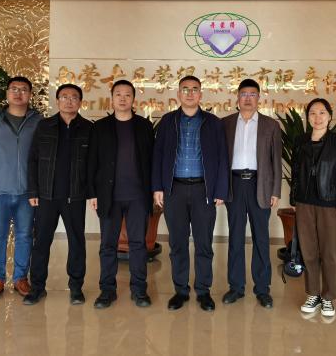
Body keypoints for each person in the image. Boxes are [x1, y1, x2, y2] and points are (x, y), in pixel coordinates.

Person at [152, 75, 229, 311]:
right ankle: (181, 290)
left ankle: (203, 291)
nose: (190, 93)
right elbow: (157, 155)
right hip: (173, 189)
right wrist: (157, 187)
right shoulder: (168, 121)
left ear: (200, 94)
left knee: (204, 243)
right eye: (185, 89)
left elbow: (222, 157)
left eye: (194, 89)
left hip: (203, 190)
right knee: (177, 243)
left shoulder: (213, 123)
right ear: (178, 94)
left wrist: (220, 190)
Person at [87, 80, 154, 308]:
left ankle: (139, 290)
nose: (123, 98)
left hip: (138, 196)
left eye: (127, 95)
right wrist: (92, 193)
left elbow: (152, 161)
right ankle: (107, 291)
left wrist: (155, 191)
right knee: (108, 245)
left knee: (138, 244)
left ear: (133, 99)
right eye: (118, 94)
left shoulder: (144, 126)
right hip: (109, 197)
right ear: (112, 98)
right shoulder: (100, 127)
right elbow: (92, 162)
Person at [0, 76, 42, 301]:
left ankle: (21, 278)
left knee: (25, 236)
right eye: (14, 89)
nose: (18, 93)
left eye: (24, 89)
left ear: (30, 94)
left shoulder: (38, 121)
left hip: (27, 192)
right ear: (7, 93)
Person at [24, 83, 92, 305]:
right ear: (57, 101)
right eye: (64, 97)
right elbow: (32, 160)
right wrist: (33, 190)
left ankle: (76, 288)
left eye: (74, 97)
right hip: (46, 195)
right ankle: (37, 287)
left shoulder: (88, 128)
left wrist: (92, 193)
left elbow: (94, 164)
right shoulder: (44, 126)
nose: (69, 101)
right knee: (41, 242)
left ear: (80, 102)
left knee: (77, 242)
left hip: (75, 195)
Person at [221, 78, 282, 309]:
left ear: (259, 98)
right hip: (234, 185)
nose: (248, 98)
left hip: (260, 186)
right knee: (235, 237)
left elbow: (276, 160)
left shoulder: (271, 125)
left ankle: (262, 289)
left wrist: (275, 191)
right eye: (244, 94)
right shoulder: (225, 123)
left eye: (252, 94)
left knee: (261, 238)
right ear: (237, 97)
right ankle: (235, 287)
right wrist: (220, 189)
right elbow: (219, 160)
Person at [291, 98, 336, 318]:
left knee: (330, 253)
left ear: (329, 116)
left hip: (330, 205)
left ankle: (328, 297)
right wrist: (294, 201)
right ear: (307, 117)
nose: (317, 118)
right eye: (312, 113)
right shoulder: (300, 141)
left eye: (322, 113)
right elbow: (295, 173)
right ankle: (313, 294)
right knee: (308, 251)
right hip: (305, 203)